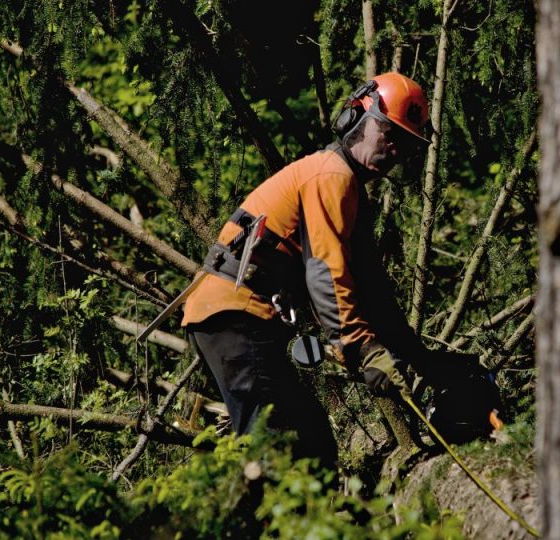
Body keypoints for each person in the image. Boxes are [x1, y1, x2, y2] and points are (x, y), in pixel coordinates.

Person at [179, 72, 474, 467]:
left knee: (311, 444)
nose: (395, 150)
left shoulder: (348, 191)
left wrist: (425, 364)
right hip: (235, 316)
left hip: (239, 320)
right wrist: (362, 348)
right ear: (357, 118)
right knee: (276, 450)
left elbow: (371, 294)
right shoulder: (331, 177)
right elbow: (325, 272)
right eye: (388, 134)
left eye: (405, 143)